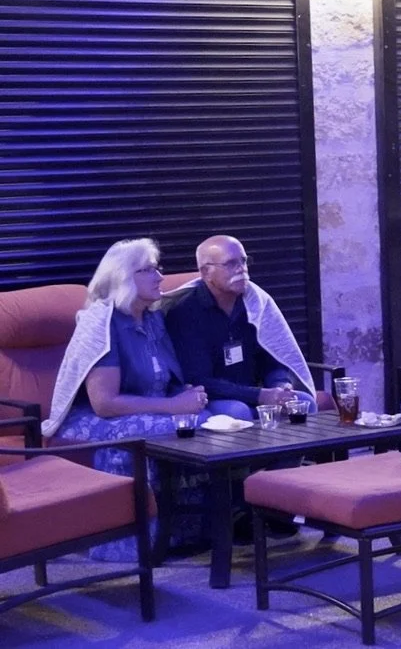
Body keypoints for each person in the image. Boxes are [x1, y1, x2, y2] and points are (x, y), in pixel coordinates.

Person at [42, 238, 211, 561]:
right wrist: (173, 407)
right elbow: (105, 403)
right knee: (156, 430)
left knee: (202, 422)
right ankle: (132, 543)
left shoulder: (152, 317)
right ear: (123, 278)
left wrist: (186, 394)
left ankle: (186, 533)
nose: (160, 277)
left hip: (147, 409)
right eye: (148, 270)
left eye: (158, 268)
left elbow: (165, 379)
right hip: (93, 419)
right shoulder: (103, 322)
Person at [164, 235, 316, 422]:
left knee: (303, 402)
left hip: (256, 392)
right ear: (206, 272)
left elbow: (274, 358)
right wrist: (259, 395)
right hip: (214, 398)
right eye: (230, 264)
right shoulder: (185, 313)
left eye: (243, 261)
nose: (241, 269)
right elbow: (199, 381)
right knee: (238, 412)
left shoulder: (255, 303)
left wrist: (281, 386)